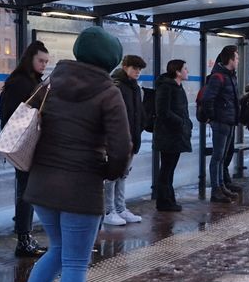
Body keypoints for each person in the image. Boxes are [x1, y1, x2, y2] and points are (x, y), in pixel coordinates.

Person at [0, 26, 131, 282]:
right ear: (111, 60)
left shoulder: (51, 82)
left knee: (58, 250)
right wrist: (109, 171)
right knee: (75, 261)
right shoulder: (108, 92)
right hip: (80, 188)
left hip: (42, 185)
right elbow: (121, 148)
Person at [0, 41, 51, 257]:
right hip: (25, 144)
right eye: (41, 60)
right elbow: (15, 114)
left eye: (47, 62)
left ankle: (25, 236)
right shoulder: (22, 83)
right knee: (26, 192)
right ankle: (23, 239)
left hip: (26, 143)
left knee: (27, 190)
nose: (44, 65)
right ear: (30, 58)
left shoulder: (26, 81)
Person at [103, 55, 146, 226]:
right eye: (135, 68)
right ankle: (108, 210)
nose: (138, 72)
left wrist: (138, 131)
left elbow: (138, 113)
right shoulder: (117, 86)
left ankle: (120, 208)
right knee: (113, 175)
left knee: (123, 174)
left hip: (131, 138)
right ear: (125, 66)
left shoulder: (134, 87)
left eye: (140, 70)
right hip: (118, 140)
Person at [201, 45, 241, 203]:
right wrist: (212, 117)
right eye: (237, 58)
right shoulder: (218, 77)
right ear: (230, 59)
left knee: (222, 156)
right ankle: (216, 190)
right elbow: (207, 99)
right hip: (221, 121)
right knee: (217, 157)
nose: (238, 61)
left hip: (229, 120)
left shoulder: (230, 76)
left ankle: (221, 185)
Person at [153, 59, 192, 212]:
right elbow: (163, 112)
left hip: (175, 134)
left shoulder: (177, 86)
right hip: (168, 135)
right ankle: (164, 201)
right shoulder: (166, 88)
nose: (187, 71)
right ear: (177, 72)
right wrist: (181, 122)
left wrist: (186, 123)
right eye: (185, 68)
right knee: (167, 169)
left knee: (169, 168)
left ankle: (168, 200)